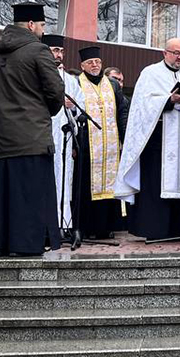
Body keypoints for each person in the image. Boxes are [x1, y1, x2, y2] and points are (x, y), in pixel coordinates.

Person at [0, 2, 65, 257]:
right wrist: (45, 112)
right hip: (32, 136)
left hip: (4, 135)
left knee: (4, 194)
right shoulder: (38, 50)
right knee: (32, 195)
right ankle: (27, 245)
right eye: (42, 25)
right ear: (31, 25)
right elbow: (56, 91)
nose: (43, 30)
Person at [115, 39, 180, 242]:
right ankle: (154, 229)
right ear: (164, 53)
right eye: (175, 53)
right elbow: (142, 105)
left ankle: (178, 229)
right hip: (158, 141)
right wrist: (169, 100)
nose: (179, 57)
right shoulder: (150, 74)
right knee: (156, 184)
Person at [74, 46, 128, 241]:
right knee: (86, 186)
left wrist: (124, 137)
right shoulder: (76, 83)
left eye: (97, 62)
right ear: (82, 65)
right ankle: (87, 228)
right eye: (90, 62)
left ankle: (107, 228)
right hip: (87, 146)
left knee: (110, 186)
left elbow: (122, 111)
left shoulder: (112, 85)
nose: (95, 65)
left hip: (111, 145)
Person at [41, 35, 83, 235]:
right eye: (53, 50)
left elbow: (80, 107)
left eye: (60, 50)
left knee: (64, 179)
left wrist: (74, 107)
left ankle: (64, 223)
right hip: (45, 135)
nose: (57, 54)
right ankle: (46, 225)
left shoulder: (70, 80)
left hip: (65, 137)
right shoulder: (37, 73)